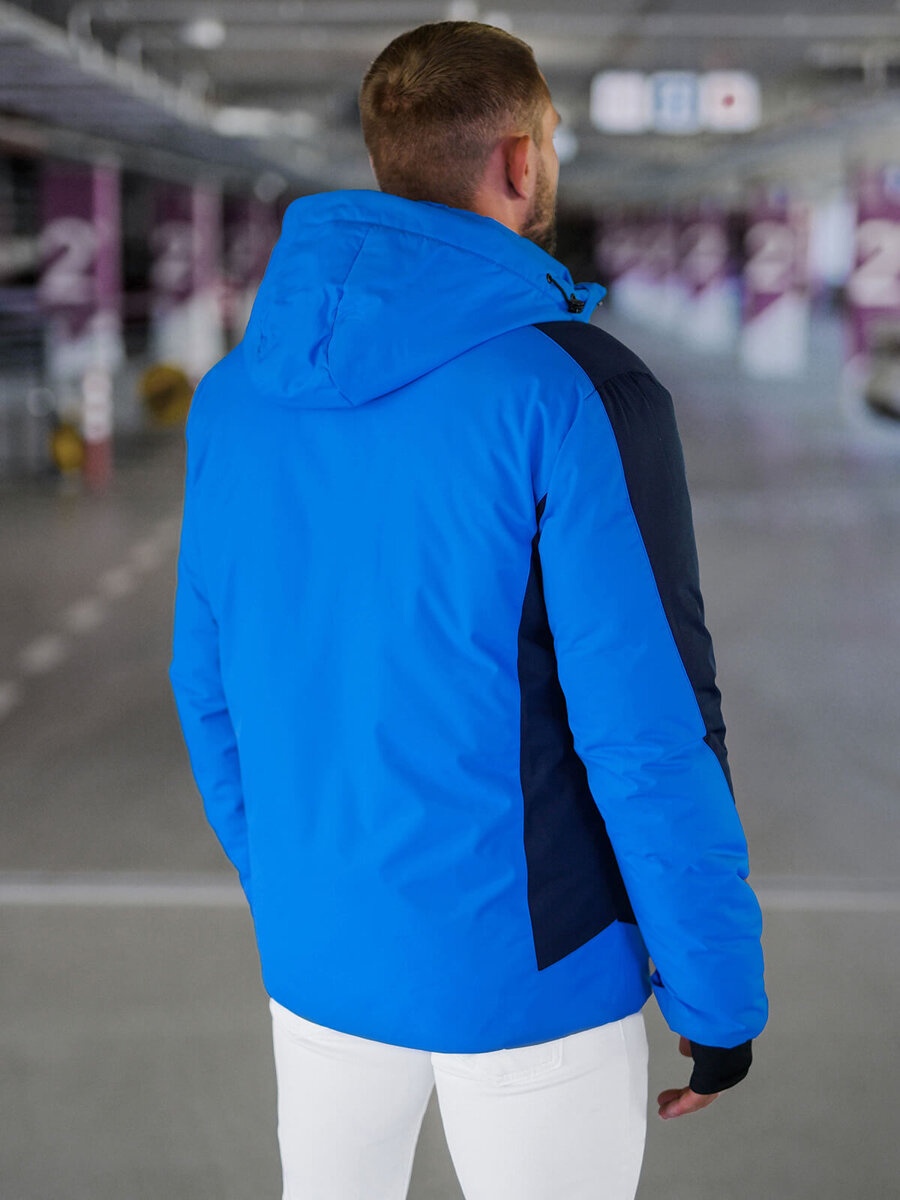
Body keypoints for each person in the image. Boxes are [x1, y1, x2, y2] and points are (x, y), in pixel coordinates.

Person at [168, 19, 768, 1200]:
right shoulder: (574, 389)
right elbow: (647, 729)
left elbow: (209, 685)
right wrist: (714, 994)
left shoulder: (233, 396)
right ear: (519, 158)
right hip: (532, 980)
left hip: (319, 963)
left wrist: (298, 892)